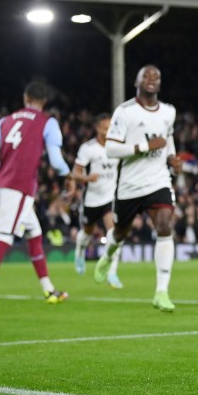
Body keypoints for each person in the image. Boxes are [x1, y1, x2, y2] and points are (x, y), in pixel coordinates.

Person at [0, 82, 71, 308]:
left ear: (25, 98)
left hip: (4, 184)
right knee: (4, 236)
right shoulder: (48, 122)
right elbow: (56, 161)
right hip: (19, 188)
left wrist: (3, 167)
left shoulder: (6, 121)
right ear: (44, 101)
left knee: (35, 233)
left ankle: (49, 290)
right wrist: (69, 173)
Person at [96, 65, 182, 312]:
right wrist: (144, 146)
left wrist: (173, 159)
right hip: (130, 186)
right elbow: (111, 149)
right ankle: (109, 253)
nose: (152, 79)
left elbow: (168, 139)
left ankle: (161, 292)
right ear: (137, 81)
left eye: (157, 76)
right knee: (121, 232)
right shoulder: (124, 112)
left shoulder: (168, 111)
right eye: (147, 75)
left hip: (158, 181)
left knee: (165, 226)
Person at [68, 113, 122, 287]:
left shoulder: (116, 147)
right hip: (91, 199)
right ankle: (80, 250)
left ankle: (112, 271)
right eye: (105, 127)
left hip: (110, 198)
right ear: (97, 128)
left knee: (114, 233)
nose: (108, 131)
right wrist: (87, 178)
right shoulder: (88, 148)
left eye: (110, 127)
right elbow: (75, 173)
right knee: (88, 232)